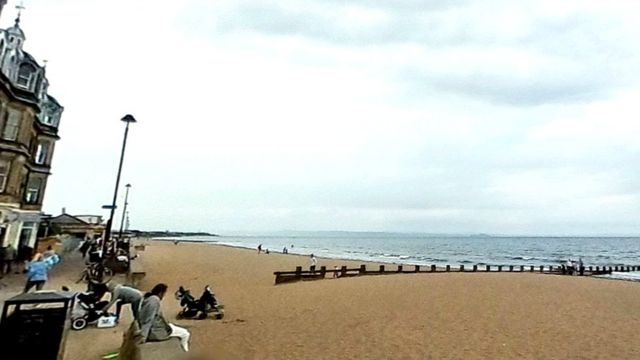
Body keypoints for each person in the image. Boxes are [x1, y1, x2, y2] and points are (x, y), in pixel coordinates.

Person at [139, 283, 191, 352]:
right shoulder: (154, 301)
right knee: (185, 334)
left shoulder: (148, 299)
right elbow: (149, 319)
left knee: (174, 326)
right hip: (157, 331)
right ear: (160, 293)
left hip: (156, 327)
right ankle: (185, 351)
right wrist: (143, 336)